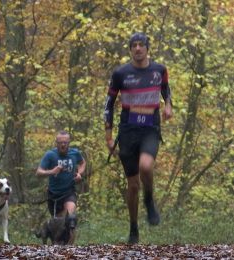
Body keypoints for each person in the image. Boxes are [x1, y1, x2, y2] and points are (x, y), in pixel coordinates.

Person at [103, 32, 173, 244]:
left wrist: (168, 105)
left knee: (146, 166)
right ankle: (133, 228)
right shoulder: (120, 73)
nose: (138, 49)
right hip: (128, 131)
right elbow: (108, 104)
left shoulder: (159, 70)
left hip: (150, 128)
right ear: (130, 49)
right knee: (132, 185)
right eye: (134, 45)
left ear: (147, 48)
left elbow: (166, 90)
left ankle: (149, 200)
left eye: (141, 45)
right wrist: (108, 136)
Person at [36, 130, 86, 242]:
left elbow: (82, 163)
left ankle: (70, 252)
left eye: (65, 142)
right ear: (56, 143)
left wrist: (79, 173)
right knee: (60, 226)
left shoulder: (75, 153)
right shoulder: (50, 155)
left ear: (69, 143)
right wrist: (52, 171)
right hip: (54, 196)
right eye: (60, 142)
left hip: (69, 192)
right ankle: (58, 251)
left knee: (69, 219)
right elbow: (38, 172)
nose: (63, 145)